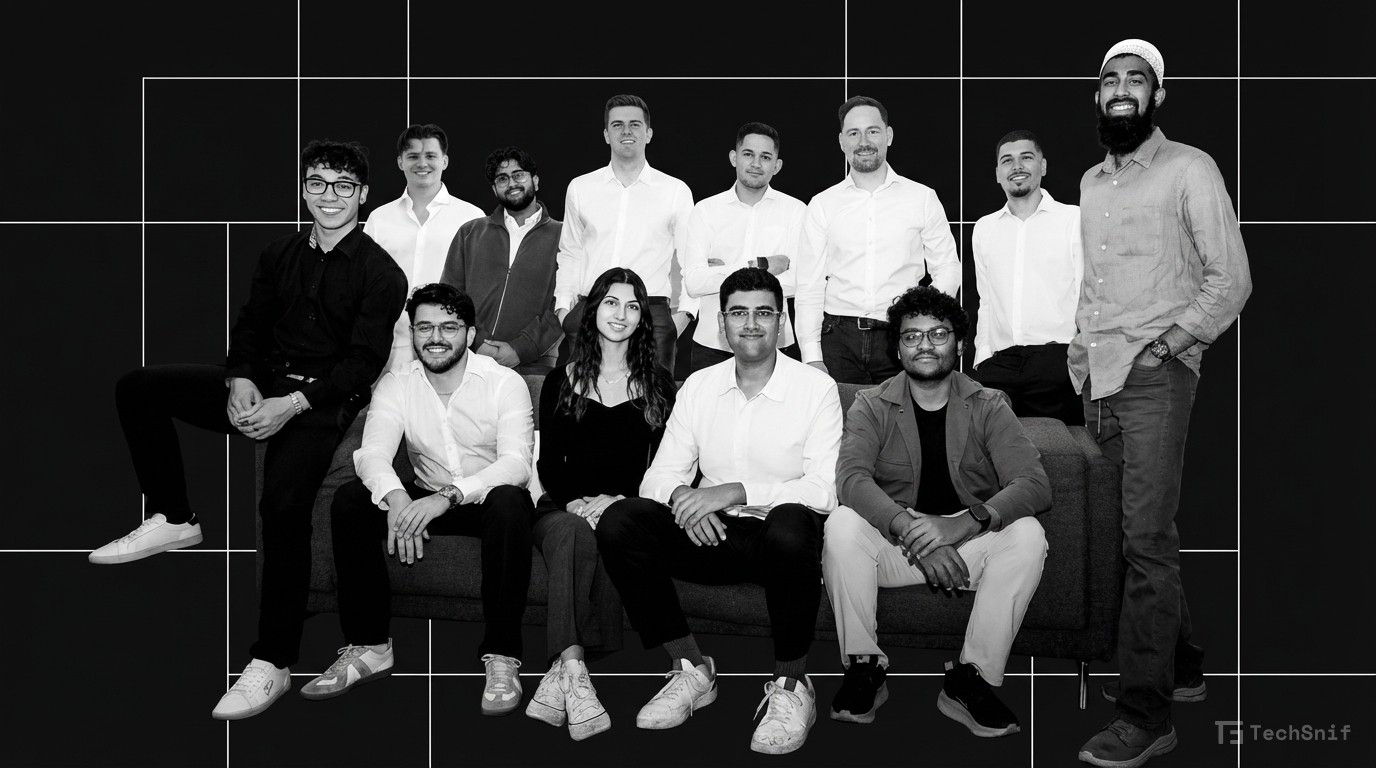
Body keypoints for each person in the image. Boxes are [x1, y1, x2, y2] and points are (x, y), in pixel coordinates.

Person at [91, 140, 408, 721]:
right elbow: (251, 329)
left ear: (363, 194)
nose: (329, 196)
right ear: (304, 190)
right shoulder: (277, 254)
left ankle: (273, 662)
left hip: (322, 401)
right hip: (264, 382)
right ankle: (175, 519)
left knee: (282, 506)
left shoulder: (382, 273)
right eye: (317, 183)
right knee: (138, 387)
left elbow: (361, 366)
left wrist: (292, 404)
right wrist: (239, 378)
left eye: (343, 185)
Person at [1073, 39, 1252, 768]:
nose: (1122, 88)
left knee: (1145, 542)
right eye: (1110, 79)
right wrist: (1079, 355)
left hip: (1155, 377)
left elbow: (1231, 278)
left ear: (1157, 96)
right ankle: (1182, 666)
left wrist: (1169, 346)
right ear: (1098, 97)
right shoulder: (1090, 182)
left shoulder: (1189, 168)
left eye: (1137, 80)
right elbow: (1093, 284)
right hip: (1097, 379)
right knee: (1132, 539)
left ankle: (1146, 717)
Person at [596, 267, 842, 755]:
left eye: (763, 313)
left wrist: (732, 492)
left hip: (779, 545)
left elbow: (823, 490)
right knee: (622, 520)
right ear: (721, 322)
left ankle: (792, 684)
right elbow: (657, 477)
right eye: (738, 313)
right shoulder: (699, 385)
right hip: (708, 535)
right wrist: (686, 503)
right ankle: (691, 668)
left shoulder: (816, 388)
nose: (751, 324)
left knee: (793, 521)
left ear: (781, 322)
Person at [822, 285, 1050, 737]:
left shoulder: (989, 404)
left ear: (959, 344)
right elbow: (851, 480)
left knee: (1028, 534)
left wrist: (962, 524)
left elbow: (1034, 484)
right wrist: (917, 535)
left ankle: (972, 678)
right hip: (894, 546)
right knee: (842, 523)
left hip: (968, 549)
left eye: (938, 334)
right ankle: (865, 667)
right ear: (898, 348)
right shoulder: (871, 404)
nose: (924, 344)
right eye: (912, 336)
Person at [301, 283, 536, 718]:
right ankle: (370, 646)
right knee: (352, 499)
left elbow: (516, 464)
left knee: (508, 502)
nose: (436, 337)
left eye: (449, 327)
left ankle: (502, 656)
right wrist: (396, 499)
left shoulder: (505, 383)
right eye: (424, 327)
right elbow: (372, 453)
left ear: (470, 333)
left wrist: (447, 497)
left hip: (488, 501)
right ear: (412, 333)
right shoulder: (398, 383)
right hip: (425, 497)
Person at [526, 267, 678, 741]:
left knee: (610, 532)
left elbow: (669, 465)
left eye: (633, 306)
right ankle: (575, 671)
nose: (621, 314)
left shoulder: (659, 384)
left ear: (642, 319)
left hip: (624, 511)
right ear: (594, 310)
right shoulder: (560, 380)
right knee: (573, 531)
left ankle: (565, 673)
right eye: (612, 302)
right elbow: (549, 462)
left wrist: (618, 502)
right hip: (561, 507)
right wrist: (575, 504)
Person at [795, 95, 961, 384]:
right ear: (841, 141)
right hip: (837, 341)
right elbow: (809, 285)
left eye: (872, 131)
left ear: (889, 135)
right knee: (840, 415)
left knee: (905, 415)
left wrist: (919, 318)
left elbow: (948, 268)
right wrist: (812, 357)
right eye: (853, 133)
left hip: (902, 337)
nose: (864, 141)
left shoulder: (922, 198)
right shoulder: (822, 204)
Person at [554, 94, 696, 374]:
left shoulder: (675, 191)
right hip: (589, 309)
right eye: (617, 125)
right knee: (578, 395)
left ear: (649, 133)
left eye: (635, 124)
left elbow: (691, 260)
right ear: (606, 135)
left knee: (652, 399)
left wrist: (684, 315)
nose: (626, 131)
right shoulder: (581, 188)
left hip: (651, 311)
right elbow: (570, 252)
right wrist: (564, 311)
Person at [970, 129, 1084, 425]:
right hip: (999, 366)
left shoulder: (1073, 220)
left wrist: (1078, 361)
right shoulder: (984, 228)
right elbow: (986, 300)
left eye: (1026, 158)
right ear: (998, 173)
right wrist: (982, 358)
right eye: (1007, 160)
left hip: (1057, 363)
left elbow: (1087, 295)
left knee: (1060, 450)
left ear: (1042, 166)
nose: (1017, 166)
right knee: (995, 452)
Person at [682, 121, 807, 372]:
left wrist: (721, 272)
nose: (756, 163)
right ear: (734, 157)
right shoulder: (705, 211)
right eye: (748, 154)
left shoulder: (796, 211)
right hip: (711, 344)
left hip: (774, 343)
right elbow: (694, 283)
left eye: (765, 157)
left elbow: (799, 281)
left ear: (777, 165)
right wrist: (761, 265)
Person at [364, 123, 485, 371]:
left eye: (430, 155)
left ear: (445, 161)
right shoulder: (379, 218)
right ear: (400, 162)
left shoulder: (472, 218)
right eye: (413, 156)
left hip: (449, 344)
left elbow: (482, 286)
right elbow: (365, 284)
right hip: (389, 347)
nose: (422, 163)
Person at [440, 146, 562, 375]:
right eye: (502, 179)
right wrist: (477, 343)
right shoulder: (470, 232)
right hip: (470, 363)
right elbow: (450, 297)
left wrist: (520, 349)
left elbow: (564, 305)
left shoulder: (564, 237)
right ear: (494, 189)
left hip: (534, 368)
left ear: (535, 181)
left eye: (519, 175)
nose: (512, 183)